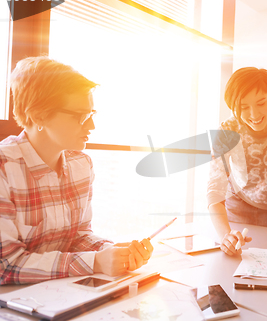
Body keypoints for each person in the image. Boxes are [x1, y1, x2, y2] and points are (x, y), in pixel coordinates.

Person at [0, 56, 153, 285]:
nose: (91, 126)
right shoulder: (5, 168)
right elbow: (6, 266)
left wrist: (113, 251)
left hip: (58, 295)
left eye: (91, 114)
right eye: (80, 116)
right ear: (38, 115)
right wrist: (96, 262)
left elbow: (78, 237)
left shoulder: (81, 165)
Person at [207, 67, 267, 256]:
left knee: (264, 261)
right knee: (233, 258)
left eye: (261, 103)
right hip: (236, 203)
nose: (254, 114)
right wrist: (225, 236)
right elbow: (214, 189)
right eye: (244, 107)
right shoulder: (228, 129)